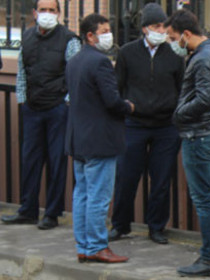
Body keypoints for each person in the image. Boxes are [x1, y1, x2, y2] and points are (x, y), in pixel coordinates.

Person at [108, 3, 184, 245]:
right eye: (155, 26)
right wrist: (125, 110)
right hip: (134, 124)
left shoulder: (174, 54)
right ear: (144, 28)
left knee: (161, 180)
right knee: (126, 177)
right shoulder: (128, 53)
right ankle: (120, 224)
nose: (160, 30)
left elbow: (181, 88)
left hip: (165, 126)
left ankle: (157, 227)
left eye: (163, 26)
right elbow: (117, 86)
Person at [165, 9, 210, 277]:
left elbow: (203, 98)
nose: (172, 42)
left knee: (204, 200)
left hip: (199, 135)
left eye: (173, 37)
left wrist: (178, 113)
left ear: (186, 34)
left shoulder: (203, 58)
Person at [2, 0, 80, 229]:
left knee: (56, 162)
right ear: (35, 13)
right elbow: (22, 70)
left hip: (57, 108)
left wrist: (66, 103)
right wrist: (23, 99)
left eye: (52, 10)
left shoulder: (69, 39)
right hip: (33, 108)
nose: (47, 14)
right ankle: (28, 210)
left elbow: (73, 73)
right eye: (43, 10)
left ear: (59, 14)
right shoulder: (27, 37)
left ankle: (52, 214)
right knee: (30, 160)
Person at [65, 13, 134, 264]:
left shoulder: (74, 61)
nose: (108, 35)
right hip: (99, 139)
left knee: (82, 193)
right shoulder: (100, 62)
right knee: (98, 195)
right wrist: (129, 107)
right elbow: (112, 101)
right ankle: (96, 245)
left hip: (79, 138)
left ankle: (84, 245)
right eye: (103, 31)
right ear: (90, 36)